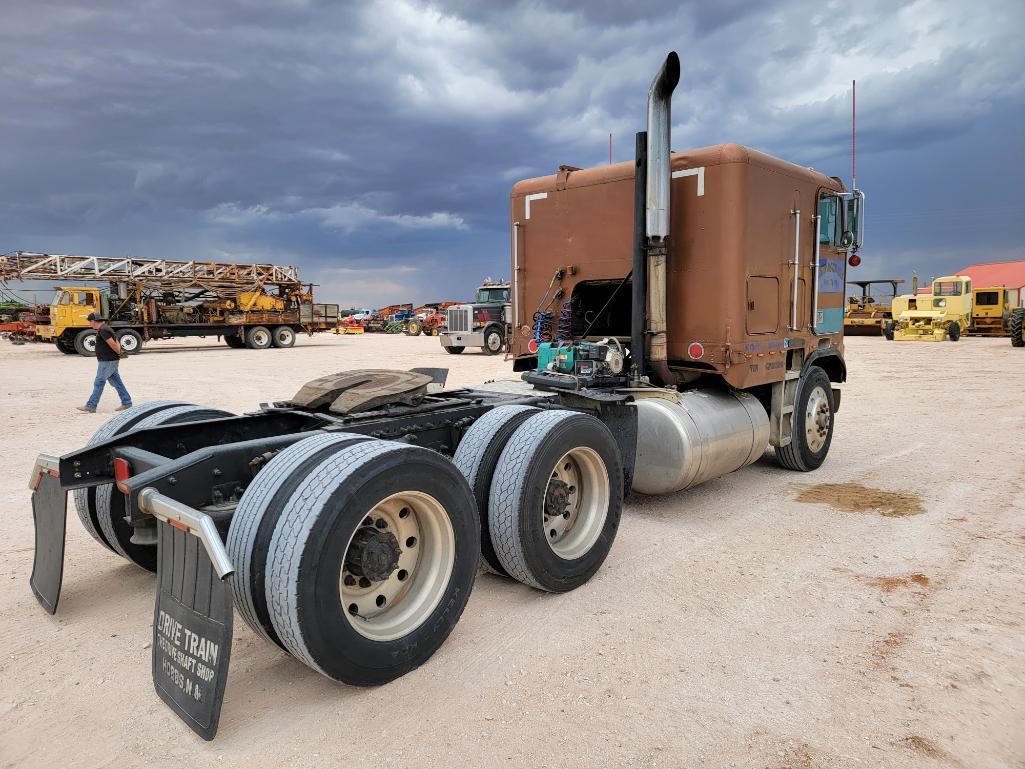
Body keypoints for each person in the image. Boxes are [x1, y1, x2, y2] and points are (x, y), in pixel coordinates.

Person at [77, 313, 133, 413]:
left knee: (99, 382)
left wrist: (119, 352)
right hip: (109, 360)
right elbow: (116, 341)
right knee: (117, 382)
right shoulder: (106, 328)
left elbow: (112, 343)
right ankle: (127, 402)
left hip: (107, 361)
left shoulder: (103, 330)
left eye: (90, 322)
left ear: (93, 321)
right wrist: (119, 353)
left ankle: (91, 405)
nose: (90, 324)